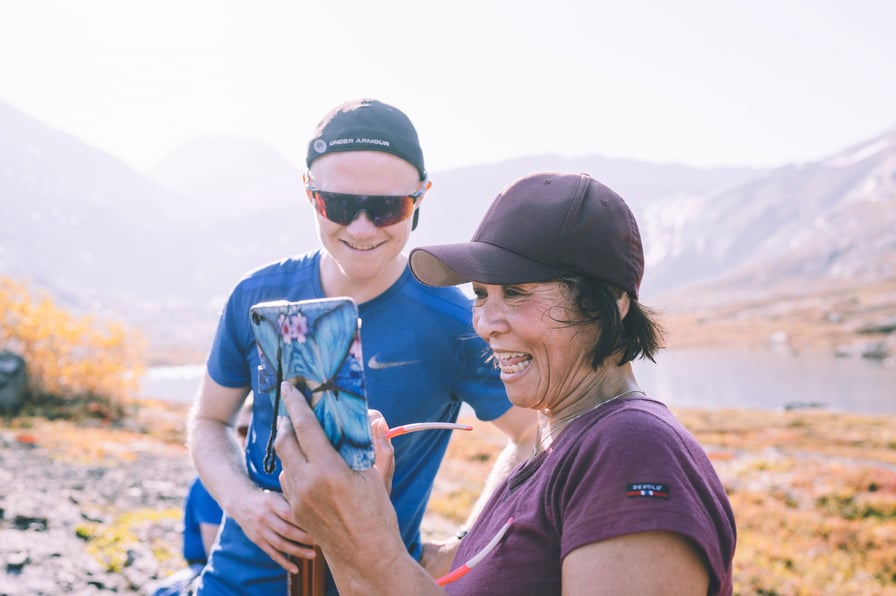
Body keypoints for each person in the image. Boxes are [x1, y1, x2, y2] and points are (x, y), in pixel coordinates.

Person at [274, 171, 737, 595]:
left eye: (516, 292)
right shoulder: (554, 441)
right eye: (480, 294)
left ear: (608, 305)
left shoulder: (632, 449)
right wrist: (352, 519)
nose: (486, 324)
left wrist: (368, 546)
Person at [187, 99, 536, 595]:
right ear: (310, 195)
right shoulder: (255, 295)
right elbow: (208, 421)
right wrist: (244, 502)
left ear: (420, 198)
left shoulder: (453, 322)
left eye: (388, 207)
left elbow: (533, 436)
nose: (362, 228)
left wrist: (464, 544)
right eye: (340, 205)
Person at [148, 401, 253, 596]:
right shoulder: (214, 482)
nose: (249, 439)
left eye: (258, 431)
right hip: (207, 567)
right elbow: (215, 553)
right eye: (243, 431)